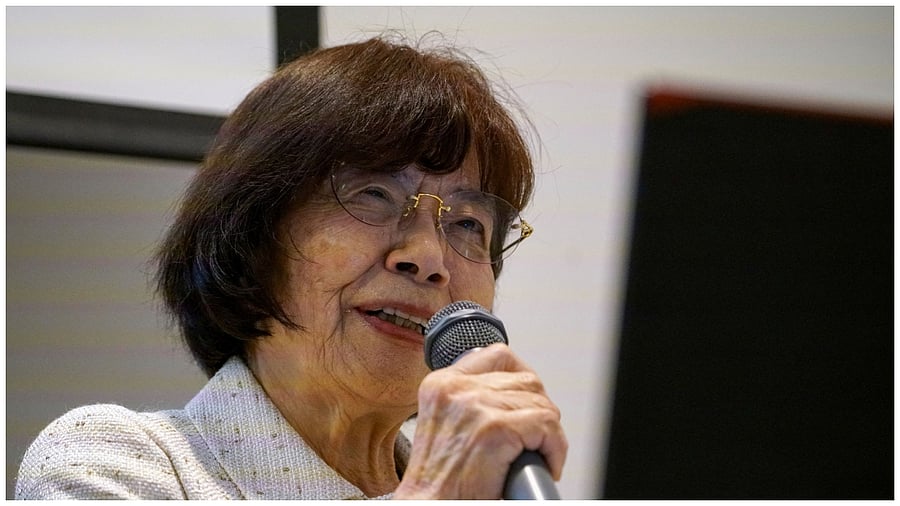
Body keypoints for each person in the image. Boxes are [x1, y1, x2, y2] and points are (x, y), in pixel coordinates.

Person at [15, 35, 567, 500]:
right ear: (254, 236)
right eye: (373, 193)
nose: (428, 258)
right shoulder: (108, 462)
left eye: (469, 223)